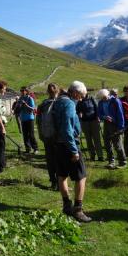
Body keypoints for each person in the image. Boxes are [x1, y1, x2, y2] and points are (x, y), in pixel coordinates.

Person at [53, 80, 91, 223]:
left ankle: (66, 206)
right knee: (81, 176)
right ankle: (78, 210)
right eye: (81, 96)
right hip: (69, 145)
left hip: (57, 144)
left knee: (62, 175)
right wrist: (74, 150)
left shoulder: (58, 101)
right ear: (75, 93)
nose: (81, 99)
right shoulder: (69, 104)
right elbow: (67, 128)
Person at [37, 83, 59, 190]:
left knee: (50, 159)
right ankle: (59, 183)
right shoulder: (59, 103)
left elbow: (38, 121)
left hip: (46, 134)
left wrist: (40, 133)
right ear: (57, 91)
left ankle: (54, 182)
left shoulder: (43, 104)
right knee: (58, 159)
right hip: (56, 135)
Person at [97, 88, 127, 169]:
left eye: (104, 97)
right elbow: (99, 113)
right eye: (102, 98)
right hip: (106, 124)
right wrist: (104, 117)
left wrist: (121, 127)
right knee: (107, 143)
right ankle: (111, 161)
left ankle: (123, 162)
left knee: (117, 144)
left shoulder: (115, 101)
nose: (104, 99)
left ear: (108, 95)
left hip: (115, 124)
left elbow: (120, 114)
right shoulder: (100, 102)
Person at [76, 92, 103, 162]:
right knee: (88, 140)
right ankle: (92, 155)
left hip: (94, 121)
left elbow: (96, 108)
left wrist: (98, 117)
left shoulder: (91, 98)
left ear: (85, 92)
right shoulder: (79, 101)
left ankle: (100, 156)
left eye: (82, 93)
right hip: (85, 122)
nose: (81, 95)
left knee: (97, 139)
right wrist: (79, 113)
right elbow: (77, 110)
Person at [19, 86, 39, 154]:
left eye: (23, 91)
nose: (21, 92)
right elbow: (19, 108)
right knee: (25, 135)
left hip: (30, 118)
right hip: (23, 118)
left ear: (26, 91)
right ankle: (28, 149)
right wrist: (18, 106)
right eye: (21, 91)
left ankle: (35, 148)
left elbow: (33, 109)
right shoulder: (20, 98)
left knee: (31, 134)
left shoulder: (30, 98)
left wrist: (25, 104)